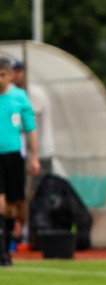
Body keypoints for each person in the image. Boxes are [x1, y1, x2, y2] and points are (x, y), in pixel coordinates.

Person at [0, 57, 39, 266]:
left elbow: (31, 128)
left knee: (12, 209)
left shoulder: (19, 97)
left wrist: (35, 157)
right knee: (0, 203)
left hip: (14, 155)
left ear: (10, 76)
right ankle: (2, 251)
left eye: (3, 75)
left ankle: (6, 250)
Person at [10, 60, 53, 246]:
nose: (14, 75)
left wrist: (34, 156)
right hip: (16, 152)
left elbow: (28, 126)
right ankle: (18, 233)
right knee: (16, 195)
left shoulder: (30, 94)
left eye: (17, 72)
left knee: (32, 193)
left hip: (38, 151)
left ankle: (31, 234)